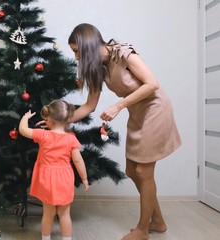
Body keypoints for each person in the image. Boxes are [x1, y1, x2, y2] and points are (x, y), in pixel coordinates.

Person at [67, 23, 182, 240]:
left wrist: (118, 106)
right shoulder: (98, 68)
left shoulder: (123, 53)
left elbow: (152, 84)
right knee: (132, 170)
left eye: (76, 51)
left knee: (143, 172)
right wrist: (60, 123)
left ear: (88, 45)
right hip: (137, 113)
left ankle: (143, 229)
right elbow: (89, 106)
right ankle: (157, 221)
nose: (75, 57)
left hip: (155, 109)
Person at [19, 99, 89, 240]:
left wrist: (25, 118)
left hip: (47, 179)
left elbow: (23, 130)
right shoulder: (71, 139)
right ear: (67, 119)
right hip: (64, 179)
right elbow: (78, 161)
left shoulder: (43, 135)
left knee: (48, 214)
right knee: (64, 214)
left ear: (49, 118)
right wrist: (84, 179)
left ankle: (46, 238)